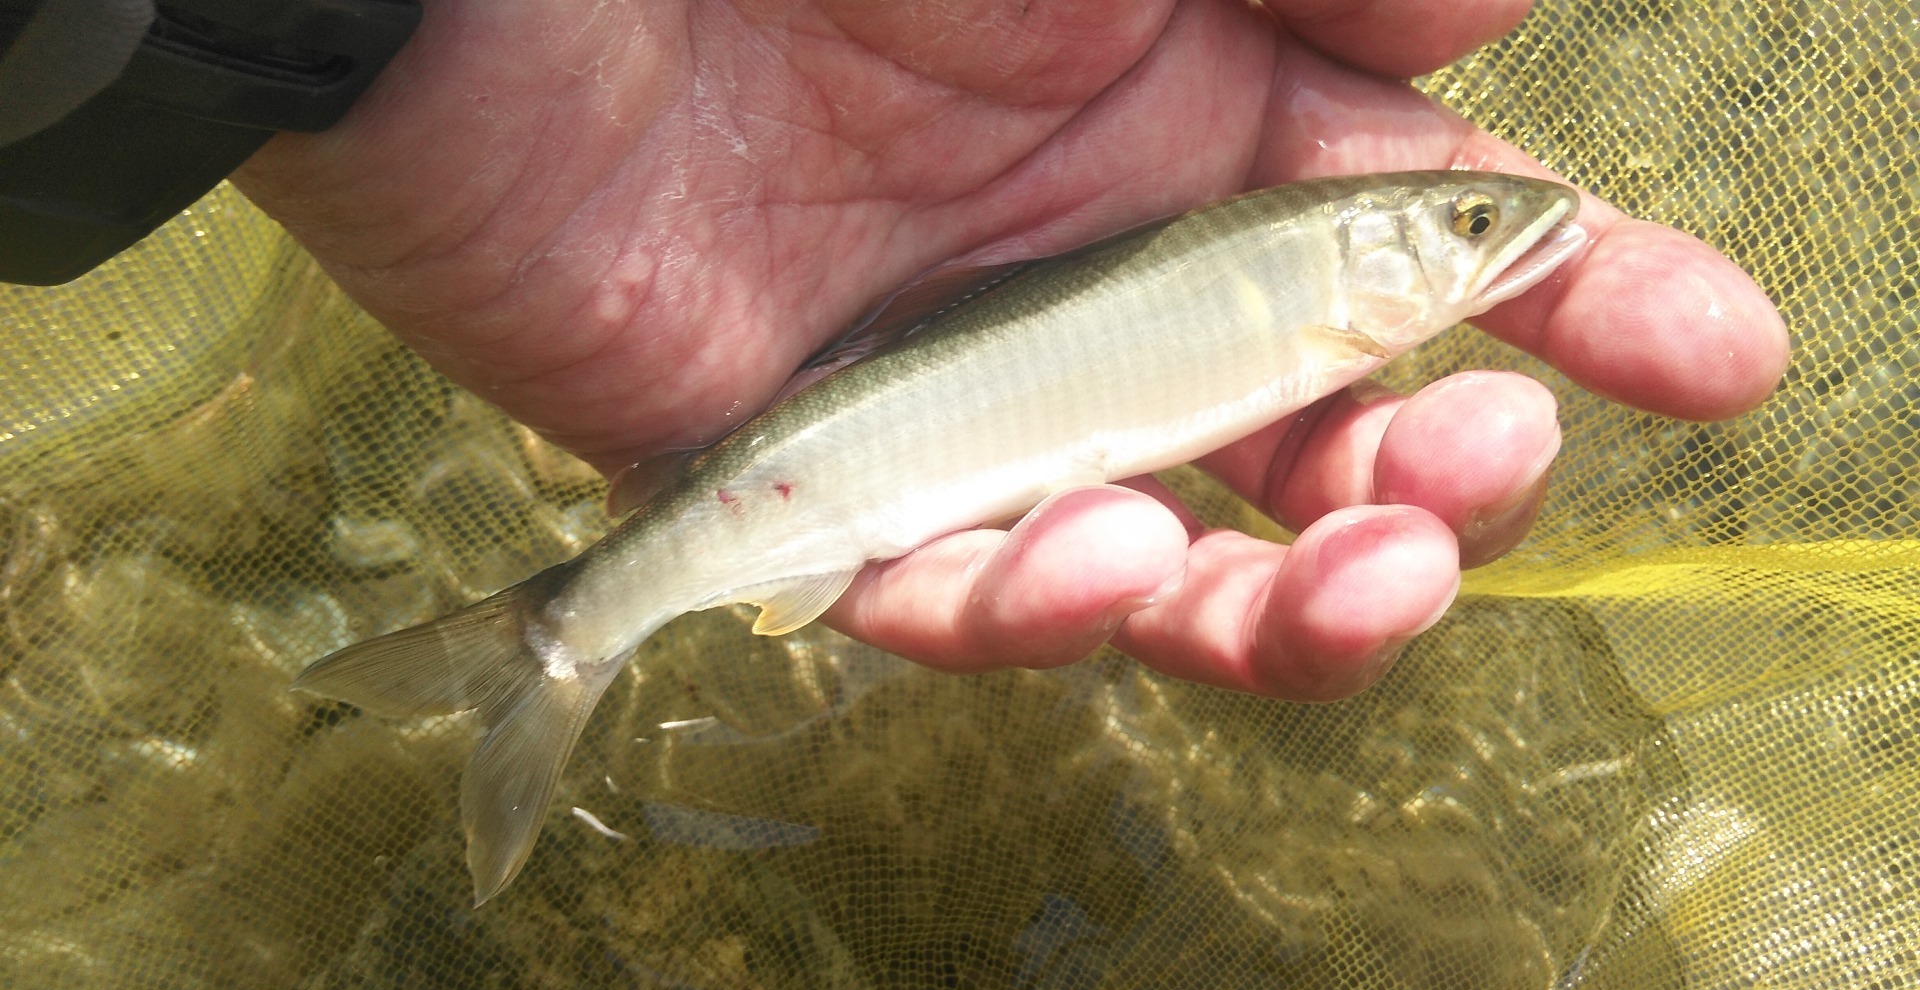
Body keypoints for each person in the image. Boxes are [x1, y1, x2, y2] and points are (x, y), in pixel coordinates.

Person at [222, 0, 1785, 700]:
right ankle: (558, 646)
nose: (1488, 238)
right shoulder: (1307, 290)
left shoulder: (1305, 284)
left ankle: (559, 641)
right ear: (1359, 258)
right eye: (1455, 230)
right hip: (808, 469)